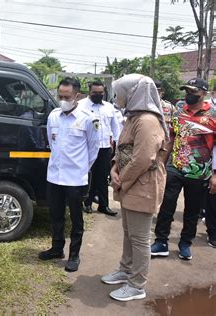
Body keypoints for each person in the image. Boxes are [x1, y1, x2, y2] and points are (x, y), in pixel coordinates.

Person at [101, 74, 167, 302]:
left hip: (142, 184)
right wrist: (113, 169)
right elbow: (121, 149)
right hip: (131, 182)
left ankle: (137, 285)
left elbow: (142, 158)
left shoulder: (147, 120)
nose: (116, 96)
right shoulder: (132, 117)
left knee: (139, 238)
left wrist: (121, 179)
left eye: (120, 91)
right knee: (129, 233)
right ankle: (126, 269)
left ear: (132, 93)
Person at [38, 77, 100, 272]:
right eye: (60, 96)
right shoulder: (53, 116)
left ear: (77, 96)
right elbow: (51, 142)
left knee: (76, 218)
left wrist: (81, 168)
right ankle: (57, 249)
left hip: (75, 179)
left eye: (67, 96)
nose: (62, 100)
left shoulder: (88, 118)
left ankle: (74, 254)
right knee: (55, 215)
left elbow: (93, 148)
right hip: (54, 176)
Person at [151, 78, 216, 260]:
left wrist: (214, 175)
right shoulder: (179, 111)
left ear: (203, 93)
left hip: (199, 171)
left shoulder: (213, 115)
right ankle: (161, 242)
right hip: (175, 166)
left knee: (192, 210)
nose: (188, 95)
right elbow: (171, 138)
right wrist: (162, 163)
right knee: (167, 205)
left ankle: (185, 243)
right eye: (186, 91)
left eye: (192, 92)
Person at [80, 81, 120, 216]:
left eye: (100, 93)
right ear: (89, 92)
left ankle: (104, 205)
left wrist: (118, 144)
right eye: (95, 93)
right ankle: (87, 203)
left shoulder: (109, 107)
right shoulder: (81, 106)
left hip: (104, 148)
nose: (98, 95)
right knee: (89, 175)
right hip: (87, 148)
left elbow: (115, 128)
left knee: (103, 177)